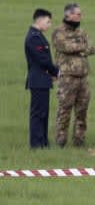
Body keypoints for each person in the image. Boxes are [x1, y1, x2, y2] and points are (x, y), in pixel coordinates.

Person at [51, 3, 95, 147]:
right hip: (67, 78)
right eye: (77, 14)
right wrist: (81, 48)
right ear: (68, 15)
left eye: (80, 14)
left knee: (82, 111)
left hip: (83, 77)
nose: (80, 16)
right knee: (64, 110)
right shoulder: (59, 32)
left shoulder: (82, 31)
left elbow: (92, 48)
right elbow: (65, 47)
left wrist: (79, 48)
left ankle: (79, 140)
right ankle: (61, 140)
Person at [24, 8, 58, 148]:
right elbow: (43, 60)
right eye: (48, 21)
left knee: (43, 113)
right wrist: (56, 72)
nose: (49, 25)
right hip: (38, 80)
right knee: (38, 114)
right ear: (40, 20)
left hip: (43, 80)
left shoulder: (38, 36)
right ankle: (37, 144)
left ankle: (43, 142)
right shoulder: (34, 37)